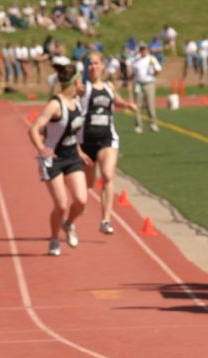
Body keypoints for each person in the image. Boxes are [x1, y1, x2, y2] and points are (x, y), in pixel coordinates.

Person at [28, 62, 90, 256]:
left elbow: (73, 131)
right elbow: (33, 128)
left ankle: (69, 224)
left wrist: (79, 151)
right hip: (53, 158)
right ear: (76, 80)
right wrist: (41, 148)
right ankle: (54, 239)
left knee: (81, 201)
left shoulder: (77, 101)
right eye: (81, 77)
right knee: (61, 204)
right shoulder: (56, 104)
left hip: (72, 156)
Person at [80, 51, 137, 235]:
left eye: (96, 63)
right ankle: (80, 204)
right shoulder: (82, 88)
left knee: (107, 175)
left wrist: (127, 105)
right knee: (88, 184)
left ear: (102, 66)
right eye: (90, 64)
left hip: (107, 138)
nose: (93, 67)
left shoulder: (109, 86)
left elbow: (116, 101)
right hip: (86, 141)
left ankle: (105, 220)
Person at [130, 42, 161, 133]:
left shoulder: (152, 59)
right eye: (141, 49)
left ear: (147, 50)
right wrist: (129, 81)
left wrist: (153, 66)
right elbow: (133, 73)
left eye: (144, 49)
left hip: (149, 83)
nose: (143, 51)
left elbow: (158, 72)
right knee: (138, 105)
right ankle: (138, 125)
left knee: (150, 104)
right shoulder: (136, 60)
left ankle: (153, 123)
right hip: (138, 84)